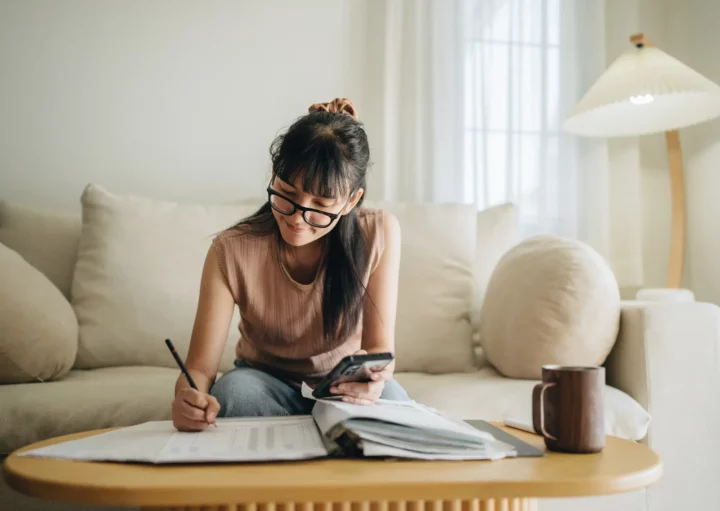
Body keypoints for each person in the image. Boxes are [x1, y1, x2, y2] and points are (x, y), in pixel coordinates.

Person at [171, 98, 409, 432]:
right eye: (286, 193)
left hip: (343, 385)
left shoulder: (378, 232)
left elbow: (380, 349)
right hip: (263, 381)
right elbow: (199, 368)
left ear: (351, 201)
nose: (298, 218)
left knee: (398, 412)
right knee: (233, 396)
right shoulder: (230, 250)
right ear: (273, 173)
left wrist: (374, 381)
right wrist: (187, 396)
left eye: (321, 204)